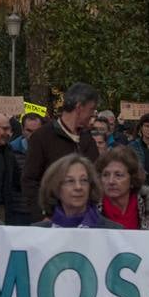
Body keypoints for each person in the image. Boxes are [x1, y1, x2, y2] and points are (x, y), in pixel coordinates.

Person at [21, 82, 101, 219]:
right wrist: (43, 215)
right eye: (91, 109)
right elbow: (29, 181)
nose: (93, 115)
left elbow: (96, 178)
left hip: (85, 221)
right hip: (52, 222)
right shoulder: (41, 138)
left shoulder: (88, 140)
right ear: (79, 108)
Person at [32, 155, 118, 229]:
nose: (78, 187)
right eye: (70, 181)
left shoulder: (113, 231)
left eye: (84, 180)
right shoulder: (37, 233)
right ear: (55, 188)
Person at [95, 146, 149, 231]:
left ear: (132, 179)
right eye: (106, 175)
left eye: (118, 175)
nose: (111, 181)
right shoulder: (92, 209)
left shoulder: (148, 207)